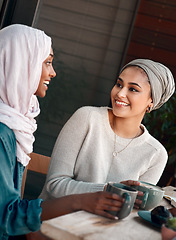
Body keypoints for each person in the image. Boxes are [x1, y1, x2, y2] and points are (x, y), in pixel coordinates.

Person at [0, 24, 125, 240]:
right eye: (47, 62)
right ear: (21, 64)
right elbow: (5, 217)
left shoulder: (17, 122)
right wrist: (80, 201)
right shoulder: (3, 132)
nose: (53, 72)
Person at [39, 58, 175, 202]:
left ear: (151, 101)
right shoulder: (87, 118)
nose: (120, 94)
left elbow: (134, 208)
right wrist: (108, 190)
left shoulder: (156, 154)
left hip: (105, 224)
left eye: (133, 89)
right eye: (119, 84)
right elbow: (54, 186)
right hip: (52, 219)